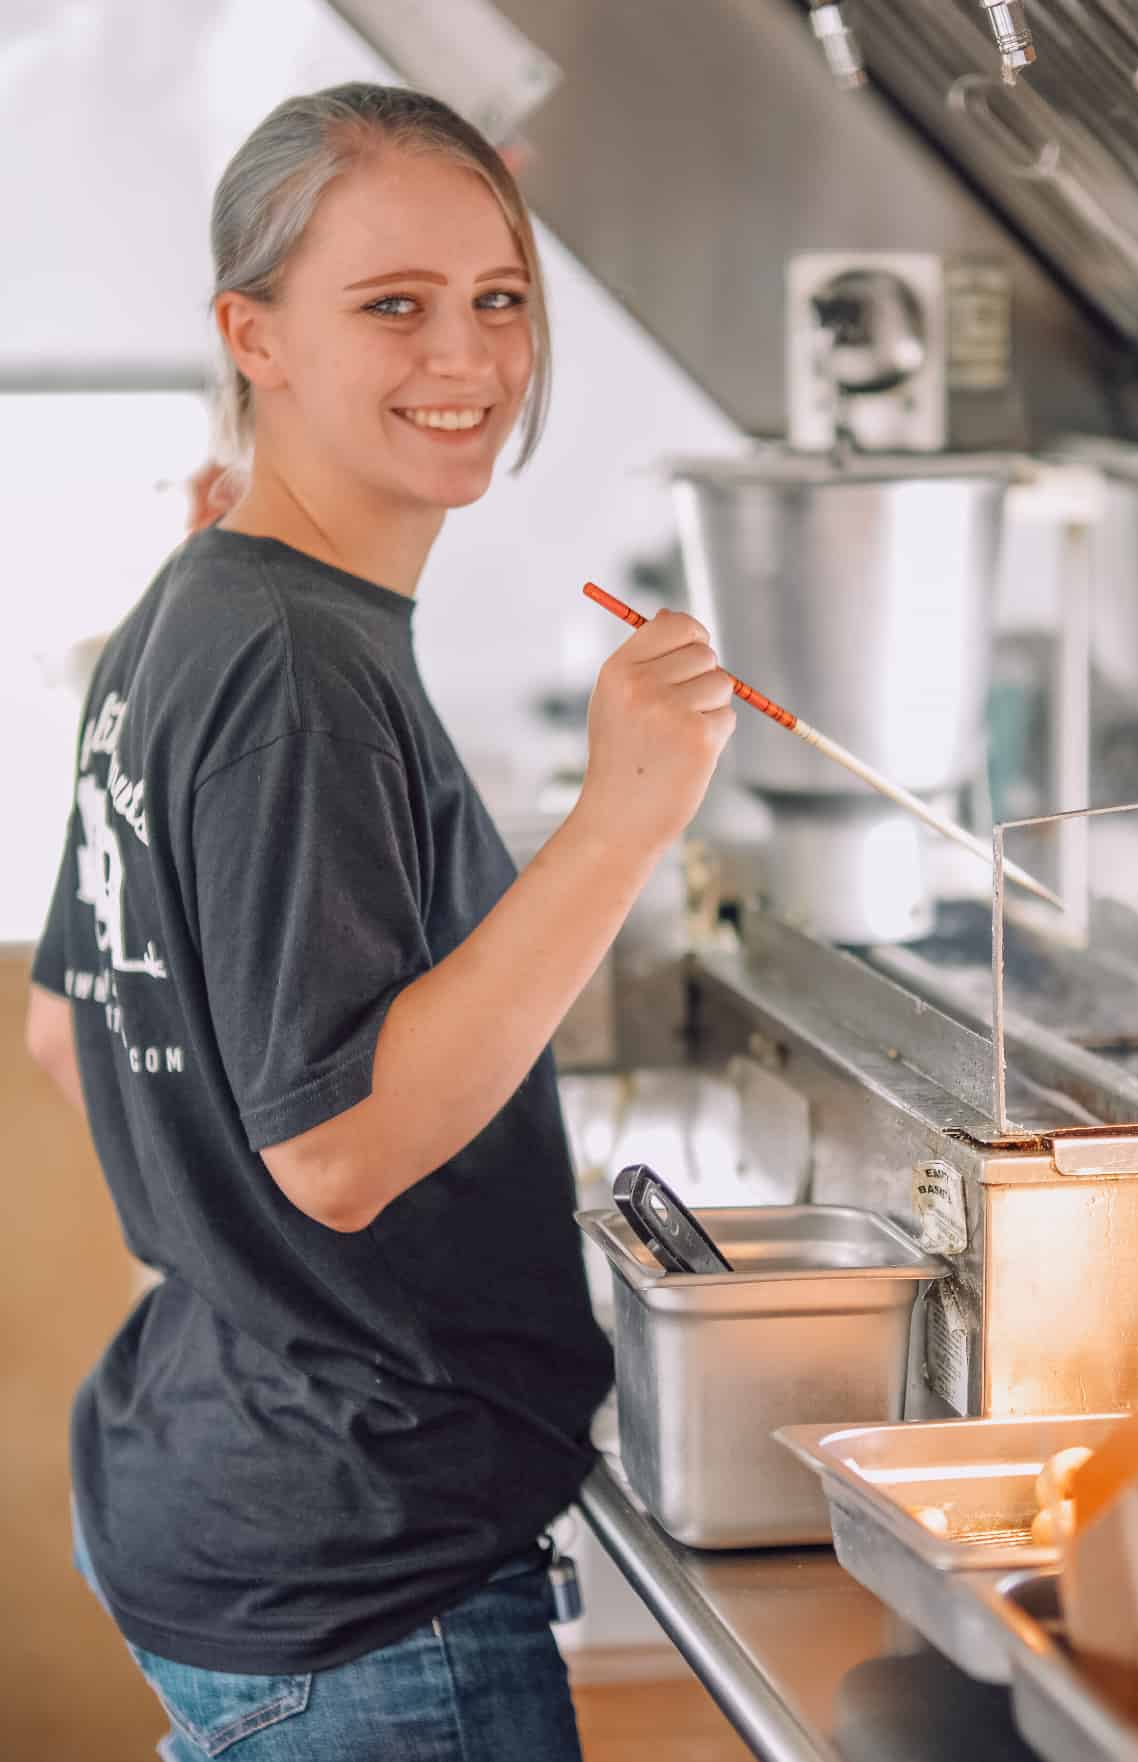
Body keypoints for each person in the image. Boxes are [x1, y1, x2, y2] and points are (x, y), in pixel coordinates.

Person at [24, 82, 735, 1760]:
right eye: (393, 306)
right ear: (249, 334)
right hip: (363, 1584)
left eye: (500, 300)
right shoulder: (291, 664)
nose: (469, 360)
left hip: (221, 1488)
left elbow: (70, 1034)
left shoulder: (192, 610)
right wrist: (626, 813)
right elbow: (335, 1149)